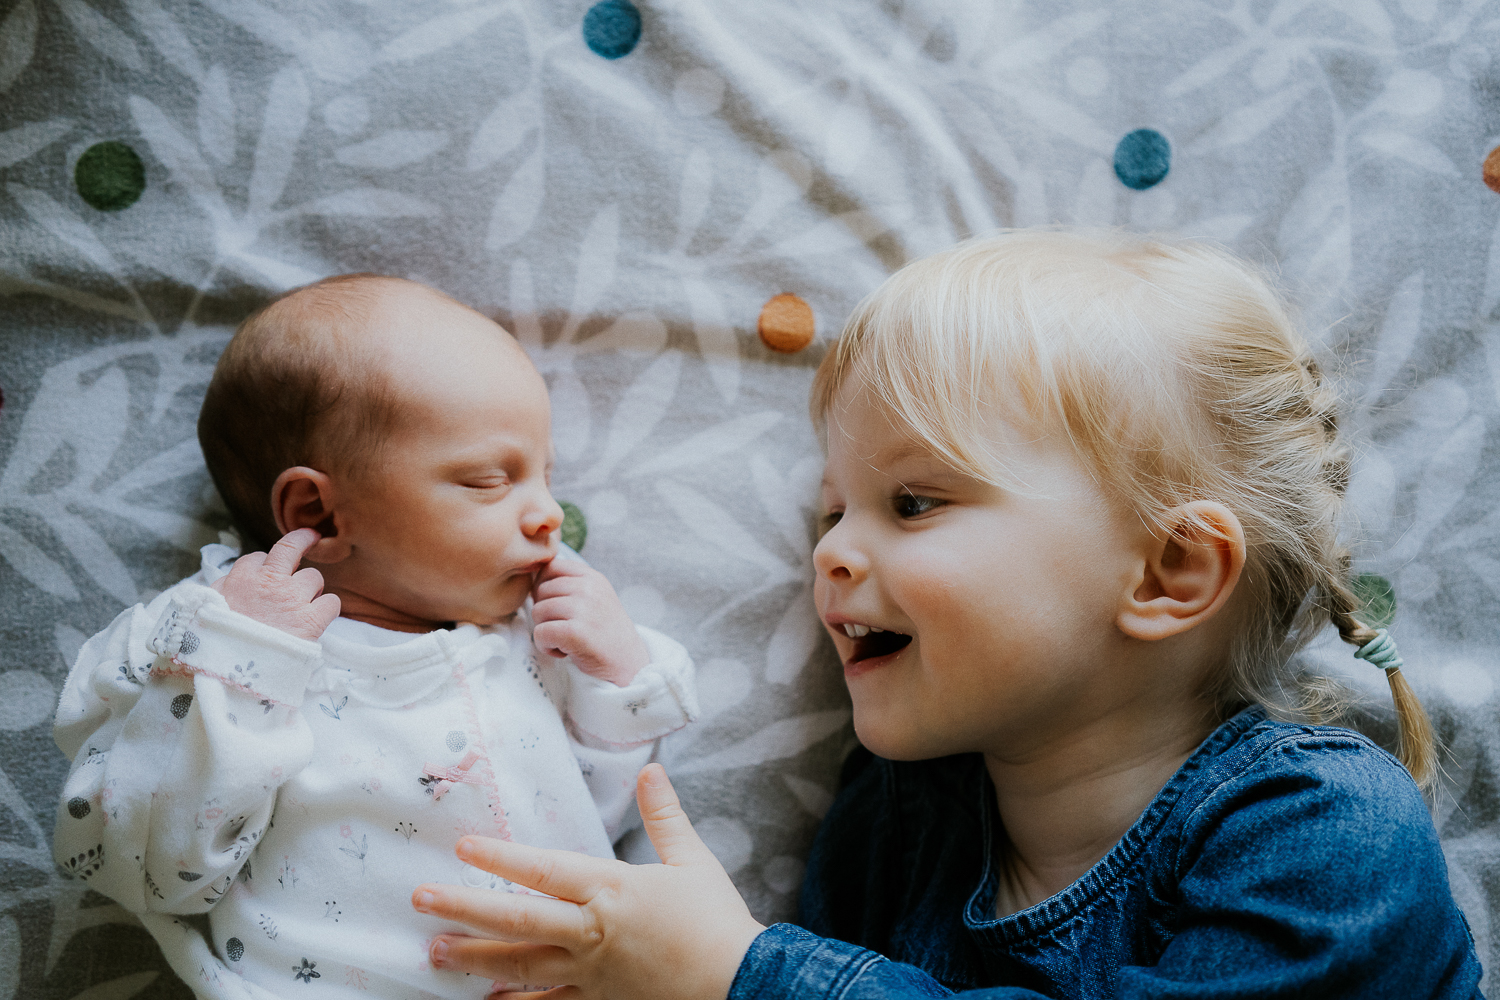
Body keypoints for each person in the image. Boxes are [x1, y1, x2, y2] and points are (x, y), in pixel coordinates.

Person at [404, 230, 1484, 998]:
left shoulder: (1322, 832)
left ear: (1168, 572)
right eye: (834, 509)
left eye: (913, 501)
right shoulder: (906, 814)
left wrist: (741, 974)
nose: (829, 549)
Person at [51, 275, 699, 1000]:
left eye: (546, 476)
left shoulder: (532, 641)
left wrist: (614, 677)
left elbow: (604, 817)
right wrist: (237, 666)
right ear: (318, 514)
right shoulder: (211, 640)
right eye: (491, 479)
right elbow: (148, 870)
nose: (548, 513)